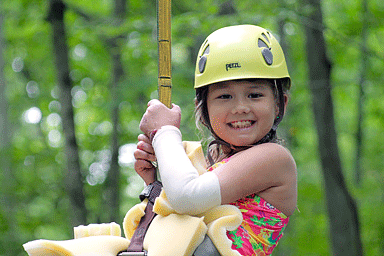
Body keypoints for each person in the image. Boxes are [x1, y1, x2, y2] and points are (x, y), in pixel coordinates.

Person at [134, 24, 297, 256]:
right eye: (224, 96)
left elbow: (187, 197)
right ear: (203, 108)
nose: (240, 107)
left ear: (280, 103)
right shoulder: (212, 167)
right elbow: (180, 220)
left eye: (254, 94)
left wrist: (164, 132)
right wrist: (153, 184)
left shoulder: (274, 158)